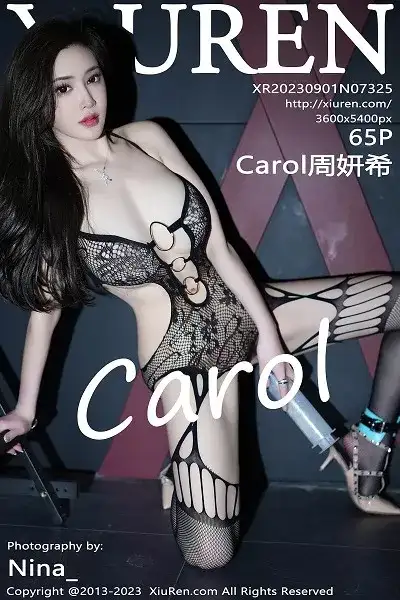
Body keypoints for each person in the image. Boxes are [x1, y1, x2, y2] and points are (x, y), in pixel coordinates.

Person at [0, 18, 399, 571]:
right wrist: (25, 410)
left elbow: (221, 247)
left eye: (93, 78)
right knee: (209, 553)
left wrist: (268, 342)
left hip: (252, 309)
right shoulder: (52, 201)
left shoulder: (149, 138)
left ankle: (369, 444)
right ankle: (182, 464)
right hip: (185, 362)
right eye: (63, 88)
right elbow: (45, 312)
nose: (87, 100)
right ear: (36, 101)